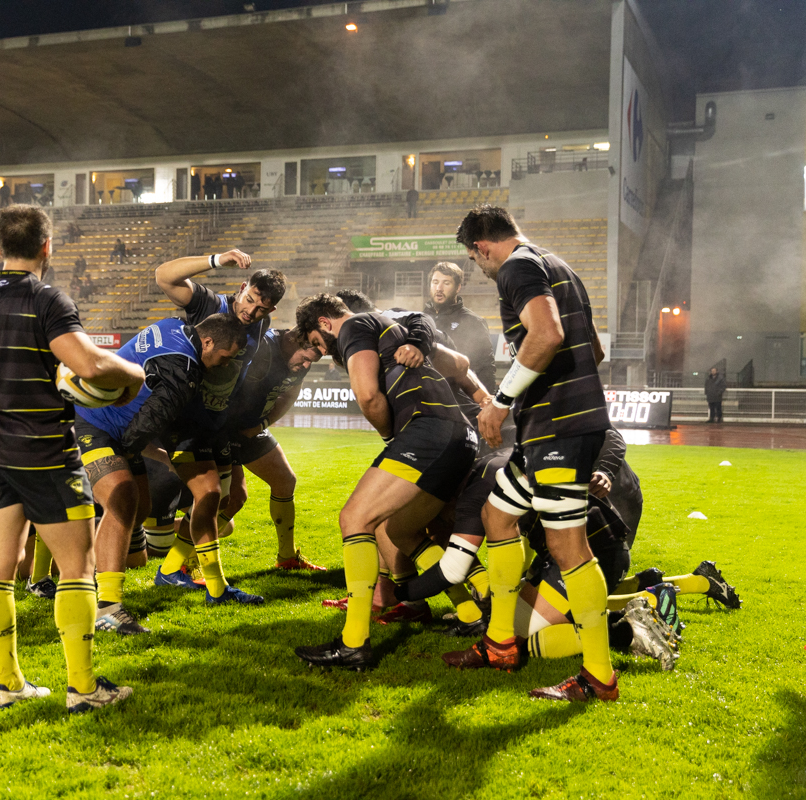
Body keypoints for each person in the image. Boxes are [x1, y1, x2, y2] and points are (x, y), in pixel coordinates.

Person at [0, 204, 147, 712]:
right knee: (77, 568)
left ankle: (10, 686)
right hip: (46, 453)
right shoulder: (47, 299)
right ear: (47, 246)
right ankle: (83, 690)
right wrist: (134, 374)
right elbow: (88, 364)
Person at [448, 204, 617, 703]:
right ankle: (500, 643)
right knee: (497, 516)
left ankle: (599, 677)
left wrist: (501, 402)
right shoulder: (558, 265)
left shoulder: (517, 268)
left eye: (475, 260)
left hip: (561, 429)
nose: (480, 269)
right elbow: (594, 351)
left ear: (481, 247)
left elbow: (547, 334)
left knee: (569, 549)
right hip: (552, 427)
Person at [292, 294, 480, 670]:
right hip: (459, 432)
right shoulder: (390, 324)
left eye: (317, 341)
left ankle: (353, 643)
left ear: (325, 323)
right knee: (400, 530)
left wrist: (390, 438)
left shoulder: (353, 326)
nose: (322, 351)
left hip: (428, 430)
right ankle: (475, 612)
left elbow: (367, 396)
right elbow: (455, 359)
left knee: (354, 519)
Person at [73, 314, 245, 634]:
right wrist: (141, 454)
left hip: (109, 422)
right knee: (122, 500)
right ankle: (107, 607)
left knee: (140, 509)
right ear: (207, 342)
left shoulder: (173, 325)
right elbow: (143, 428)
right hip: (94, 424)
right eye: (224, 357)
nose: (224, 364)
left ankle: (80, 544)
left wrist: (159, 456)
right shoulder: (185, 371)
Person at [150, 251, 286, 606]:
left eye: (261, 308)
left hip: (215, 425)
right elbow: (164, 275)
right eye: (249, 299)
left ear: (271, 310)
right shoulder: (211, 305)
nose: (250, 311)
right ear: (242, 287)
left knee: (232, 497)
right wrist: (215, 259)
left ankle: (171, 570)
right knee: (208, 494)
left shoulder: (261, 325)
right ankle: (213, 587)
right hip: (183, 420)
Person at [221, 328, 325, 570]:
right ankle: (183, 557)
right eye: (306, 358)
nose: (307, 365)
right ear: (293, 340)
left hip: (251, 428)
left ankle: (287, 557)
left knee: (284, 481)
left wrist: (262, 424)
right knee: (233, 498)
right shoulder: (260, 347)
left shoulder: (299, 364)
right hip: (223, 428)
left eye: (312, 361)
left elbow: (289, 396)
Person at [423, 262, 497, 397]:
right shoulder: (420, 319)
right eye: (435, 282)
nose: (439, 288)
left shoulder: (474, 322)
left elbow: (486, 368)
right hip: (426, 398)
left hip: (459, 400)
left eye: (446, 283)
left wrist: (486, 401)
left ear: (458, 288)